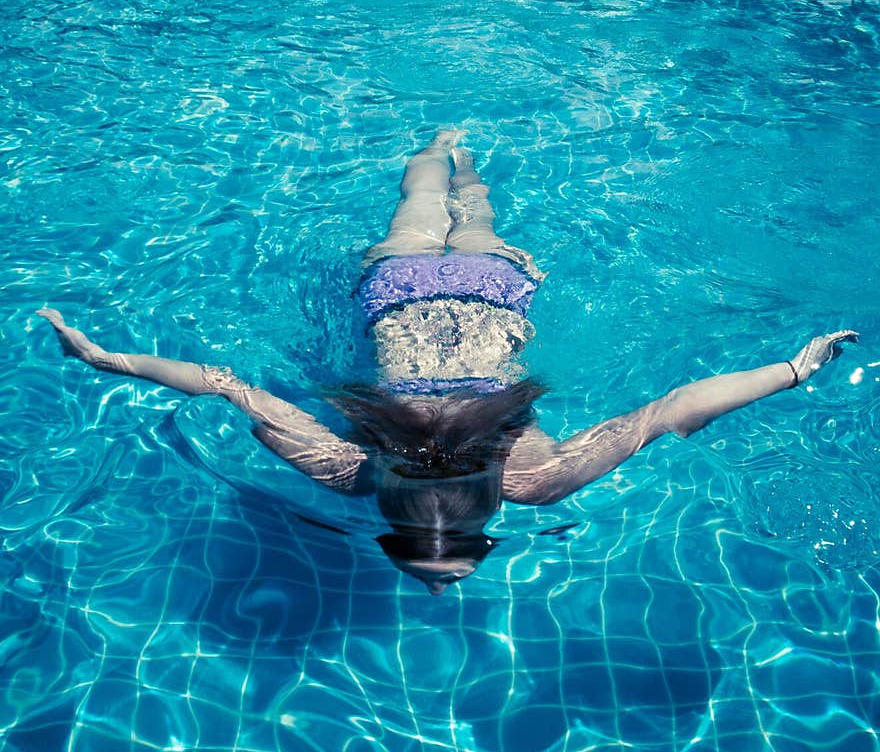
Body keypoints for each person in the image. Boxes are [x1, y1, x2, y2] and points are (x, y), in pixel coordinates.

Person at [37, 131, 859, 595]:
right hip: (398, 293)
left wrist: (794, 369)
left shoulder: (537, 475)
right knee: (419, 205)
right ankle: (447, 152)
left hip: (492, 295)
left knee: (474, 217)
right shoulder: (355, 467)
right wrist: (110, 360)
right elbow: (228, 386)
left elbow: (676, 407)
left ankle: (456, 155)